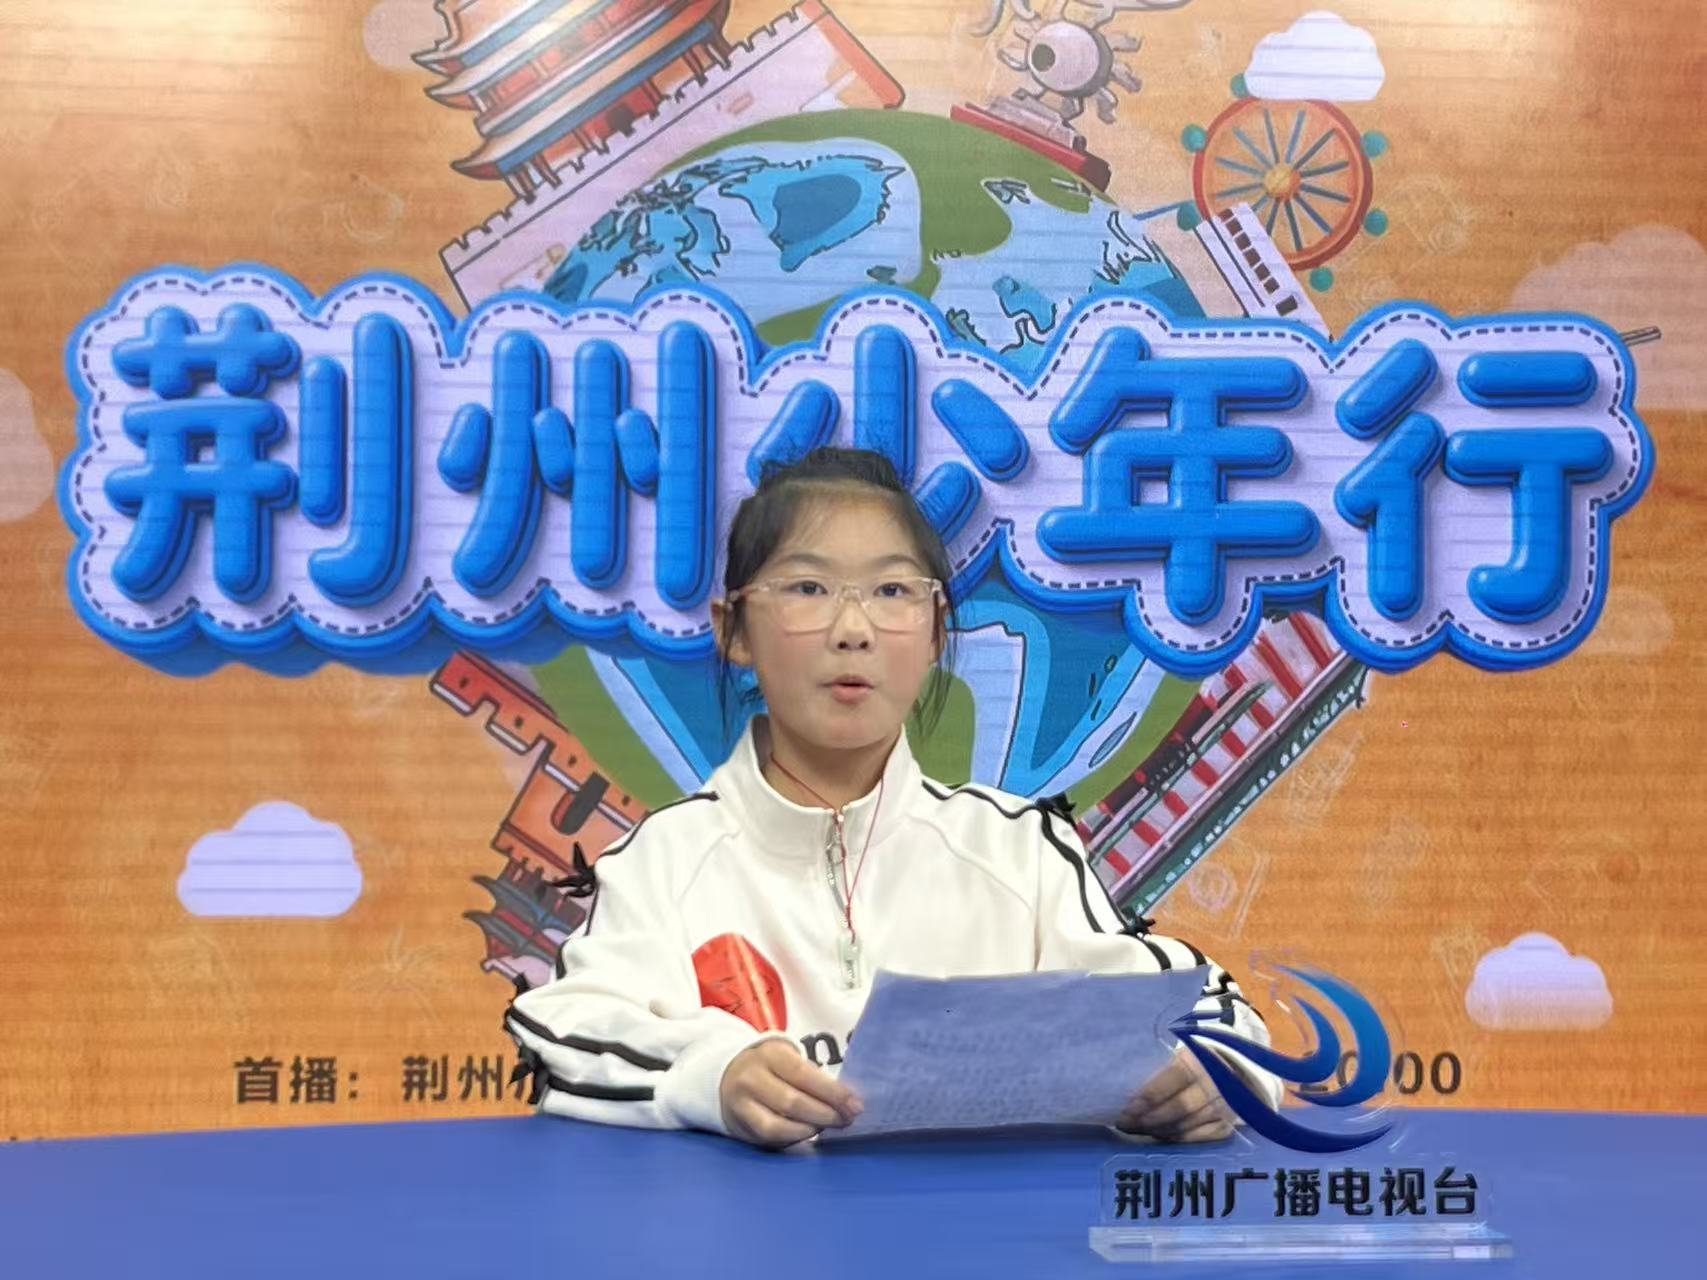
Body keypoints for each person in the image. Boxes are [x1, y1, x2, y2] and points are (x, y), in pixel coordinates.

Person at [503, 447, 1280, 1150]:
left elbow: (1207, 1009)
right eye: (808, 588)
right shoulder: (662, 862)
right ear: (733, 629)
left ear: (936, 631)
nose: (853, 628)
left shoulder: (1017, 849)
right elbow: (564, 1031)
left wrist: (1217, 1073)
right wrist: (713, 1075)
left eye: (891, 591)